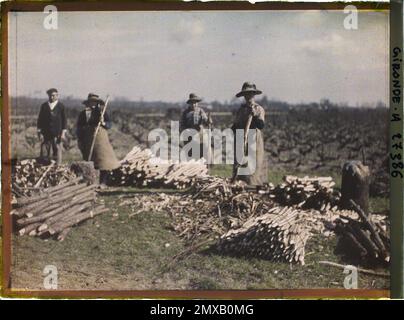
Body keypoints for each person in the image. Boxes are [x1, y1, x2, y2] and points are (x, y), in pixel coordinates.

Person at [76, 93, 120, 185]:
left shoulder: (102, 112)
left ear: (97, 103)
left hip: (100, 140)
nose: (93, 104)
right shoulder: (83, 114)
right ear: (88, 103)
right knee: (90, 161)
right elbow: (79, 127)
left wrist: (103, 122)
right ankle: (91, 181)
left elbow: (109, 125)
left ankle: (103, 182)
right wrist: (80, 138)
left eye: (94, 102)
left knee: (103, 161)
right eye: (91, 102)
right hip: (87, 140)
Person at [231, 82, 267, 185]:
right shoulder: (241, 110)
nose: (248, 96)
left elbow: (261, 125)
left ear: (254, 95)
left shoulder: (258, 109)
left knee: (253, 166)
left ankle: (252, 188)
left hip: (254, 141)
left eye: (250, 94)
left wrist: (255, 115)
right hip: (241, 140)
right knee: (239, 166)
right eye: (246, 94)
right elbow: (235, 126)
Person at [37, 88, 67, 165]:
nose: (52, 97)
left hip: (57, 135)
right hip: (46, 134)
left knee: (57, 153)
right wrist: (40, 133)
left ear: (57, 95)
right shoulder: (44, 106)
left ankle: (57, 168)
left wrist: (63, 134)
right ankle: (44, 168)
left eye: (53, 95)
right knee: (44, 153)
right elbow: (40, 120)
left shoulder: (61, 106)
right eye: (50, 95)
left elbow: (64, 121)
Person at [179, 93, 212, 162]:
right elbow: (181, 125)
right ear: (189, 103)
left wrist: (208, 121)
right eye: (192, 103)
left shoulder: (200, 111)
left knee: (202, 153)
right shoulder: (185, 113)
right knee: (190, 156)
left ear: (197, 103)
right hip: (189, 137)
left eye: (195, 103)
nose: (194, 104)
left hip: (199, 136)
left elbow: (206, 121)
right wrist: (185, 130)